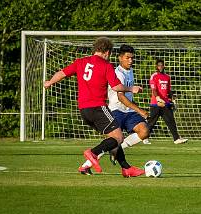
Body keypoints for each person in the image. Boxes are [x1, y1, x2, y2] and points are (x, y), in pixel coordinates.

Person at [44, 37, 145, 177]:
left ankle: (126, 168)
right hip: (98, 108)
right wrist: (131, 88)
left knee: (112, 138)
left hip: (84, 111)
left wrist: (49, 82)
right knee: (118, 138)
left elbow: (61, 73)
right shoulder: (106, 65)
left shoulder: (80, 62)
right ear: (107, 52)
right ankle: (93, 152)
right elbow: (116, 87)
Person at [107, 44, 150, 164]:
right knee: (113, 140)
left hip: (128, 110)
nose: (130, 60)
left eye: (132, 58)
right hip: (116, 110)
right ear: (120, 58)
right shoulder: (118, 73)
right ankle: (87, 164)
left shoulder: (130, 70)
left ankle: (118, 149)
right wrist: (139, 110)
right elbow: (121, 97)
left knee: (144, 131)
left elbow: (128, 95)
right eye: (127, 58)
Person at [143, 59, 188, 144]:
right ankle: (144, 137)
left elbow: (168, 90)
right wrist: (157, 98)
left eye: (162, 65)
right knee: (152, 122)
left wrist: (173, 99)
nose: (160, 67)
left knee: (171, 121)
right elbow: (154, 89)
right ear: (156, 66)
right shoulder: (154, 76)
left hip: (166, 103)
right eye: (159, 65)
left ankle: (176, 139)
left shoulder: (167, 77)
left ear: (164, 66)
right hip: (156, 103)